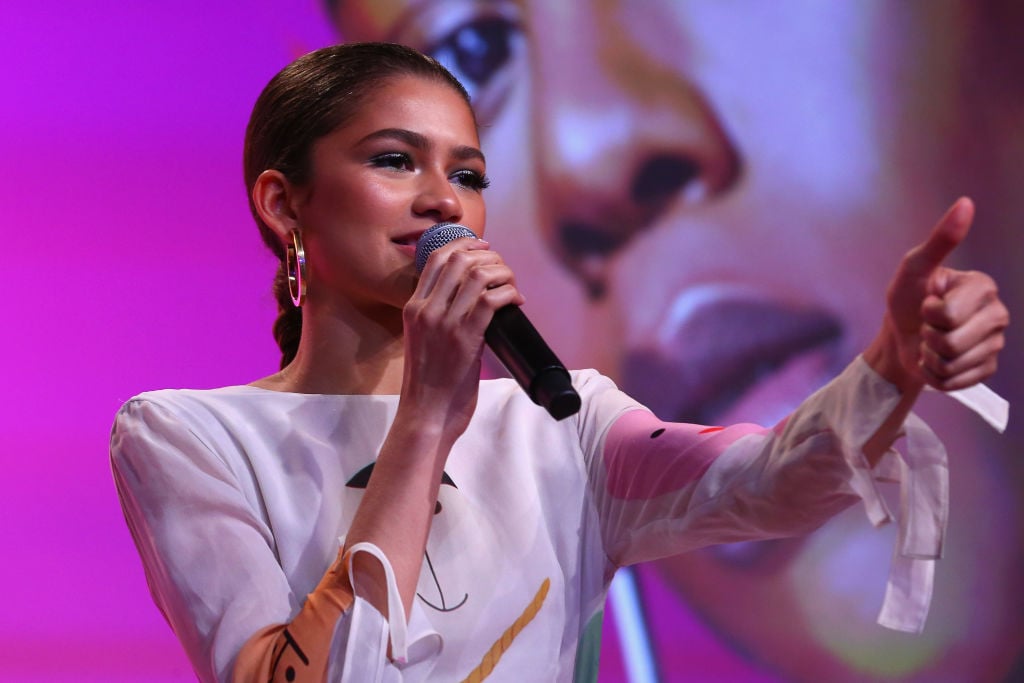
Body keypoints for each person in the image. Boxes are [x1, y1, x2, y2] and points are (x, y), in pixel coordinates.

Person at [110, 42, 1008, 683]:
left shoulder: (559, 421)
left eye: (468, 176)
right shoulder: (191, 435)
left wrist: (894, 362)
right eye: (394, 161)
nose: (442, 202)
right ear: (282, 203)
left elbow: (770, 482)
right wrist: (425, 414)